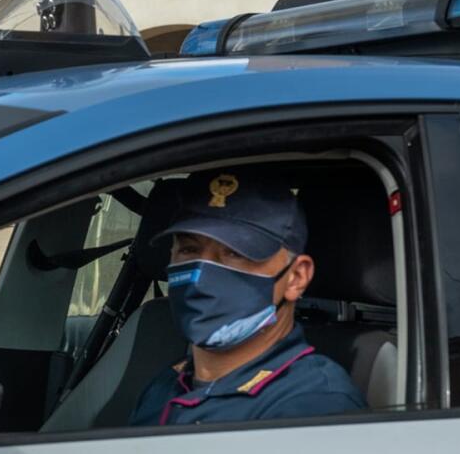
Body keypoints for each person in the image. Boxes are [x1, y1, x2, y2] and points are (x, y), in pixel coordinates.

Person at [130, 170, 367, 426]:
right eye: (189, 249)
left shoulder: (313, 406)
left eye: (235, 253)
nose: (201, 276)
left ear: (296, 277)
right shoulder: (167, 383)